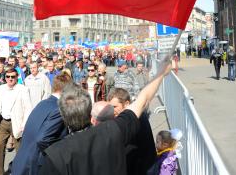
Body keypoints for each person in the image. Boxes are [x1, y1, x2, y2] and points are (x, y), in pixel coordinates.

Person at [40, 60, 172, 174]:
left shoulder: (54, 155)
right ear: (90, 114)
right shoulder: (111, 131)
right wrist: (161, 73)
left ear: (63, 117)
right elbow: (142, 101)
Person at [11, 73, 73, 175]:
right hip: (35, 166)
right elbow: (42, 139)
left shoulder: (42, 103)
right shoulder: (59, 110)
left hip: (23, 162)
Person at [0, 68, 32, 175]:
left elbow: (28, 108)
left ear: (17, 77)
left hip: (17, 123)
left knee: (20, 151)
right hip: (3, 122)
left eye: (13, 77)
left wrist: (24, 125)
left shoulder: (23, 89)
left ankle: (21, 172)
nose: (10, 79)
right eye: (8, 77)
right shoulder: (2, 88)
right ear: (5, 78)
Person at [108, 88, 157, 175]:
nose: (112, 110)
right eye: (110, 107)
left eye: (115, 107)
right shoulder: (135, 116)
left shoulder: (134, 120)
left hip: (142, 168)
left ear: (126, 104)